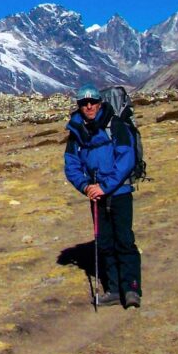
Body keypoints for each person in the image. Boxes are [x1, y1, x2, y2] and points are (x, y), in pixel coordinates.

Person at [64, 84, 142, 308]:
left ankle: (132, 288)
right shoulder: (76, 131)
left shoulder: (115, 125)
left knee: (124, 240)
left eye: (92, 102)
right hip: (96, 194)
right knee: (105, 243)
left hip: (119, 192)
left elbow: (126, 158)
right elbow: (71, 164)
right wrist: (86, 186)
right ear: (79, 106)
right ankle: (115, 289)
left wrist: (104, 186)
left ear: (100, 103)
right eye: (83, 103)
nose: (88, 106)